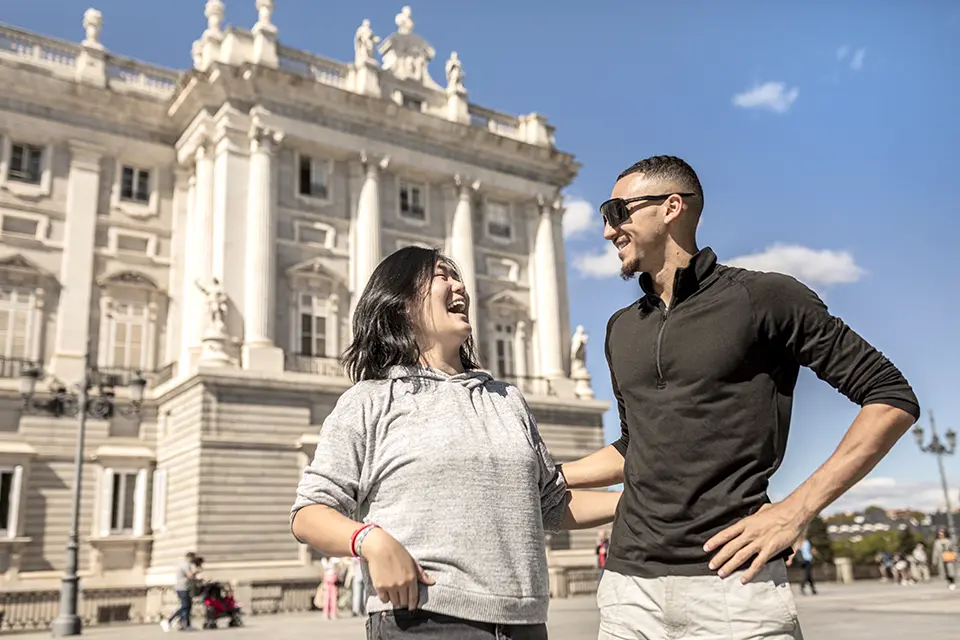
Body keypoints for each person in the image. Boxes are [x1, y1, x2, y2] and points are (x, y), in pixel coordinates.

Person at [558, 155, 921, 639]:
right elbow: (637, 446)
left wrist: (796, 510)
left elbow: (890, 395)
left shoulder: (765, 297)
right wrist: (555, 474)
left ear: (671, 207)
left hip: (733, 590)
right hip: (628, 594)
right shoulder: (620, 329)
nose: (608, 231)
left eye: (617, 212)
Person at [290, 246, 621, 640]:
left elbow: (550, 505)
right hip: (423, 620)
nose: (460, 285)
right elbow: (309, 512)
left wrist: (643, 503)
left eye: (456, 275)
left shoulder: (507, 399)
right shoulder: (369, 400)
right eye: (441, 277)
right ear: (400, 303)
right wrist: (369, 540)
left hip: (525, 624)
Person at [161, 551, 199, 632]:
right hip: (183, 587)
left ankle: (185, 625)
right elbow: (190, 575)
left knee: (187, 606)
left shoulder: (182, 563)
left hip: (182, 587)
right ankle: (168, 621)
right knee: (185, 606)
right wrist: (197, 571)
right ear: (190, 557)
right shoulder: (186, 564)